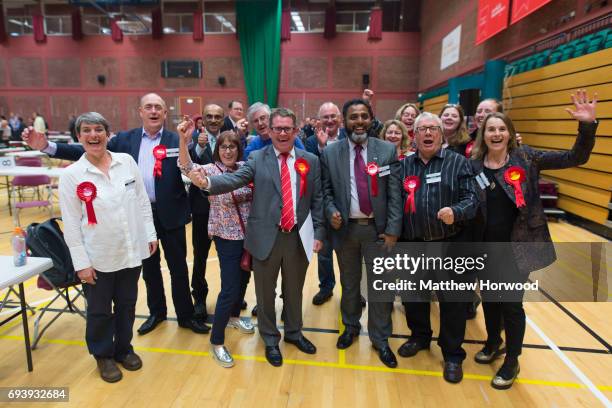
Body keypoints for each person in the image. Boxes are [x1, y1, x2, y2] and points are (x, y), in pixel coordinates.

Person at [22, 93, 210, 336]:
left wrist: (192, 141)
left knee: (178, 269)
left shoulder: (178, 139)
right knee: (150, 271)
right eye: (148, 107)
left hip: (172, 215)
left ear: (165, 113)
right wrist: (47, 147)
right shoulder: (124, 139)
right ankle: (157, 313)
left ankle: (185, 316)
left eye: (158, 108)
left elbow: (194, 164)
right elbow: (85, 149)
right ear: (140, 111)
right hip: (138, 216)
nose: (153, 111)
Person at [470, 90, 597, 390]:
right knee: (490, 300)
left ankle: (512, 359)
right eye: (491, 129)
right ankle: (493, 342)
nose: (496, 133)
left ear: (511, 134)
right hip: (486, 248)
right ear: (483, 135)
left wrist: (587, 126)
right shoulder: (474, 165)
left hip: (519, 247)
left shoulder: (527, 158)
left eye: (502, 129)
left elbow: (574, 157)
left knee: (511, 305)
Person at [189, 108, 325, 367]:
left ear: (296, 131)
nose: (283, 133)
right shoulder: (256, 158)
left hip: (299, 237)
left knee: (294, 290)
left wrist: (318, 232)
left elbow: (317, 199)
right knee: (265, 293)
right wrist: (207, 183)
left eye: (288, 128)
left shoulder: (311, 160)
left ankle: (295, 333)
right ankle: (271, 339)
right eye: (278, 128)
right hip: (265, 236)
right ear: (270, 132)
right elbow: (235, 179)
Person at [58, 112, 157, 383]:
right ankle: (103, 355)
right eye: (87, 130)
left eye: (99, 129)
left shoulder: (126, 162)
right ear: (79, 137)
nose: (93, 135)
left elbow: (141, 202)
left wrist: (149, 233)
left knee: (127, 305)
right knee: (99, 311)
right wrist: (81, 264)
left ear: (108, 133)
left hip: (130, 251)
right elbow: (71, 224)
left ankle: (124, 348)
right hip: (97, 257)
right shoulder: (71, 176)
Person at [320, 98, 402, 368]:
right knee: (350, 284)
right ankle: (350, 326)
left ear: (371, 118)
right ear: (345, 121)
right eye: (353, 117)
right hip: (346, 231)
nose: (358, 121)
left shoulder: (387, 150)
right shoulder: (331, 153)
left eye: (363, 116)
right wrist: (331, 210)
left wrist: (392, 231)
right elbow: (327, 191)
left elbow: (394, 195)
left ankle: (380, 339)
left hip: (378, 232)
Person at [398, 112, 478, 383]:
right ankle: (420, 336)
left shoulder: (459, 163)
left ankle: (453, 354)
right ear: (415, 135)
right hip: (413, 243)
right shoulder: (404, 165)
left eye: (433, 128)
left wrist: (456, 211)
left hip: (450, 244)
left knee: (453, 303)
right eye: (422, 129)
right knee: (414, 297)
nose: (428, 133)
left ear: (442, 135)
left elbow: (472, 198)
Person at [178, 128, 254, 368]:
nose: (228, 151)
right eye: (223, 147)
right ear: (217, 150)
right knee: (229, 288)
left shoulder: (246, 167)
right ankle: (217, 341)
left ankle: (233, 317)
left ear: (238, 149)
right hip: (226, 236)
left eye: (232, 146)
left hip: (250, 236)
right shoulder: (209, 170)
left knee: (244, 280)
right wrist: (183, 140)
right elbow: (186, 166)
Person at [304, 102, 347, 305]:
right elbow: (312, 171)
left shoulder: (350, 138)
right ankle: (326, 287)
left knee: (349, 252)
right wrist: (322, 148)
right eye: (325, 117)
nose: (329, 120)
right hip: (321, 204)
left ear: (340, 117)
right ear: (319, 120)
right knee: (324, 252)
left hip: (347, 204)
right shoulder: (311, 142)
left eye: (333, 116)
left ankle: (351, 289)